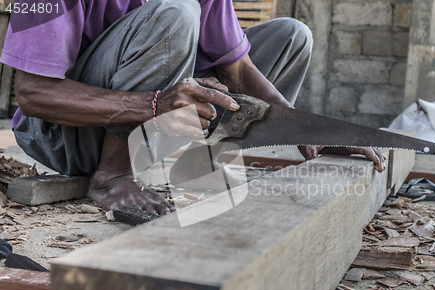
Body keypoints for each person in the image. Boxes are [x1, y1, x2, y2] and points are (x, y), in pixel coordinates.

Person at [1, 0, 386, 216]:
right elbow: (34, 94)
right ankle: (113, 175)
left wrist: (309, 128)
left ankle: (194, 163)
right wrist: (152, 105)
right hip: (63, 137)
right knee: (175, 13)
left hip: (151, 130)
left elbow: (238, 71)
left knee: (290, 36)